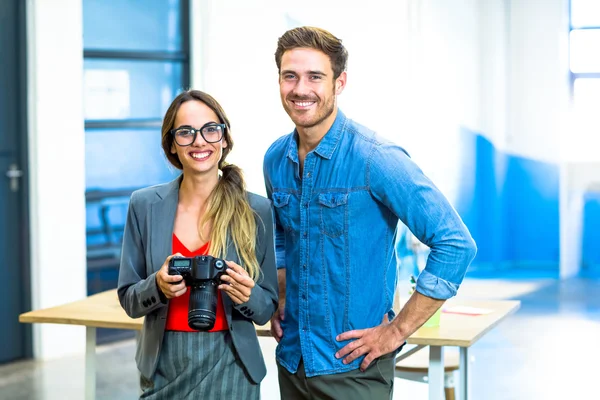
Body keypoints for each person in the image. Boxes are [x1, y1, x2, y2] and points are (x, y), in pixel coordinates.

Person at [263, 26, 477, 399]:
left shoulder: (376, 159)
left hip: (354, 370)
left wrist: (395, 332)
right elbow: (281, 236)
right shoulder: (275, 159)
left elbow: (455, 244)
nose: (300, 89)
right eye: (289, 76)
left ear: (339, 82)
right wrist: (281, 295)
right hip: (292, 361)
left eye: (315, 76)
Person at [118, 89, 278, 399]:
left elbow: (266, 308)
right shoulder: (144, 205)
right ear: (172, 145)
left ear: (224, 139)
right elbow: (129, 299)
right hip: (163, 366)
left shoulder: (256, 210)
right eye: (186, 133)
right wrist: (158, 286)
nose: (199, 141)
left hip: (233, 366)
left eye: (210, 129)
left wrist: (247, 294)